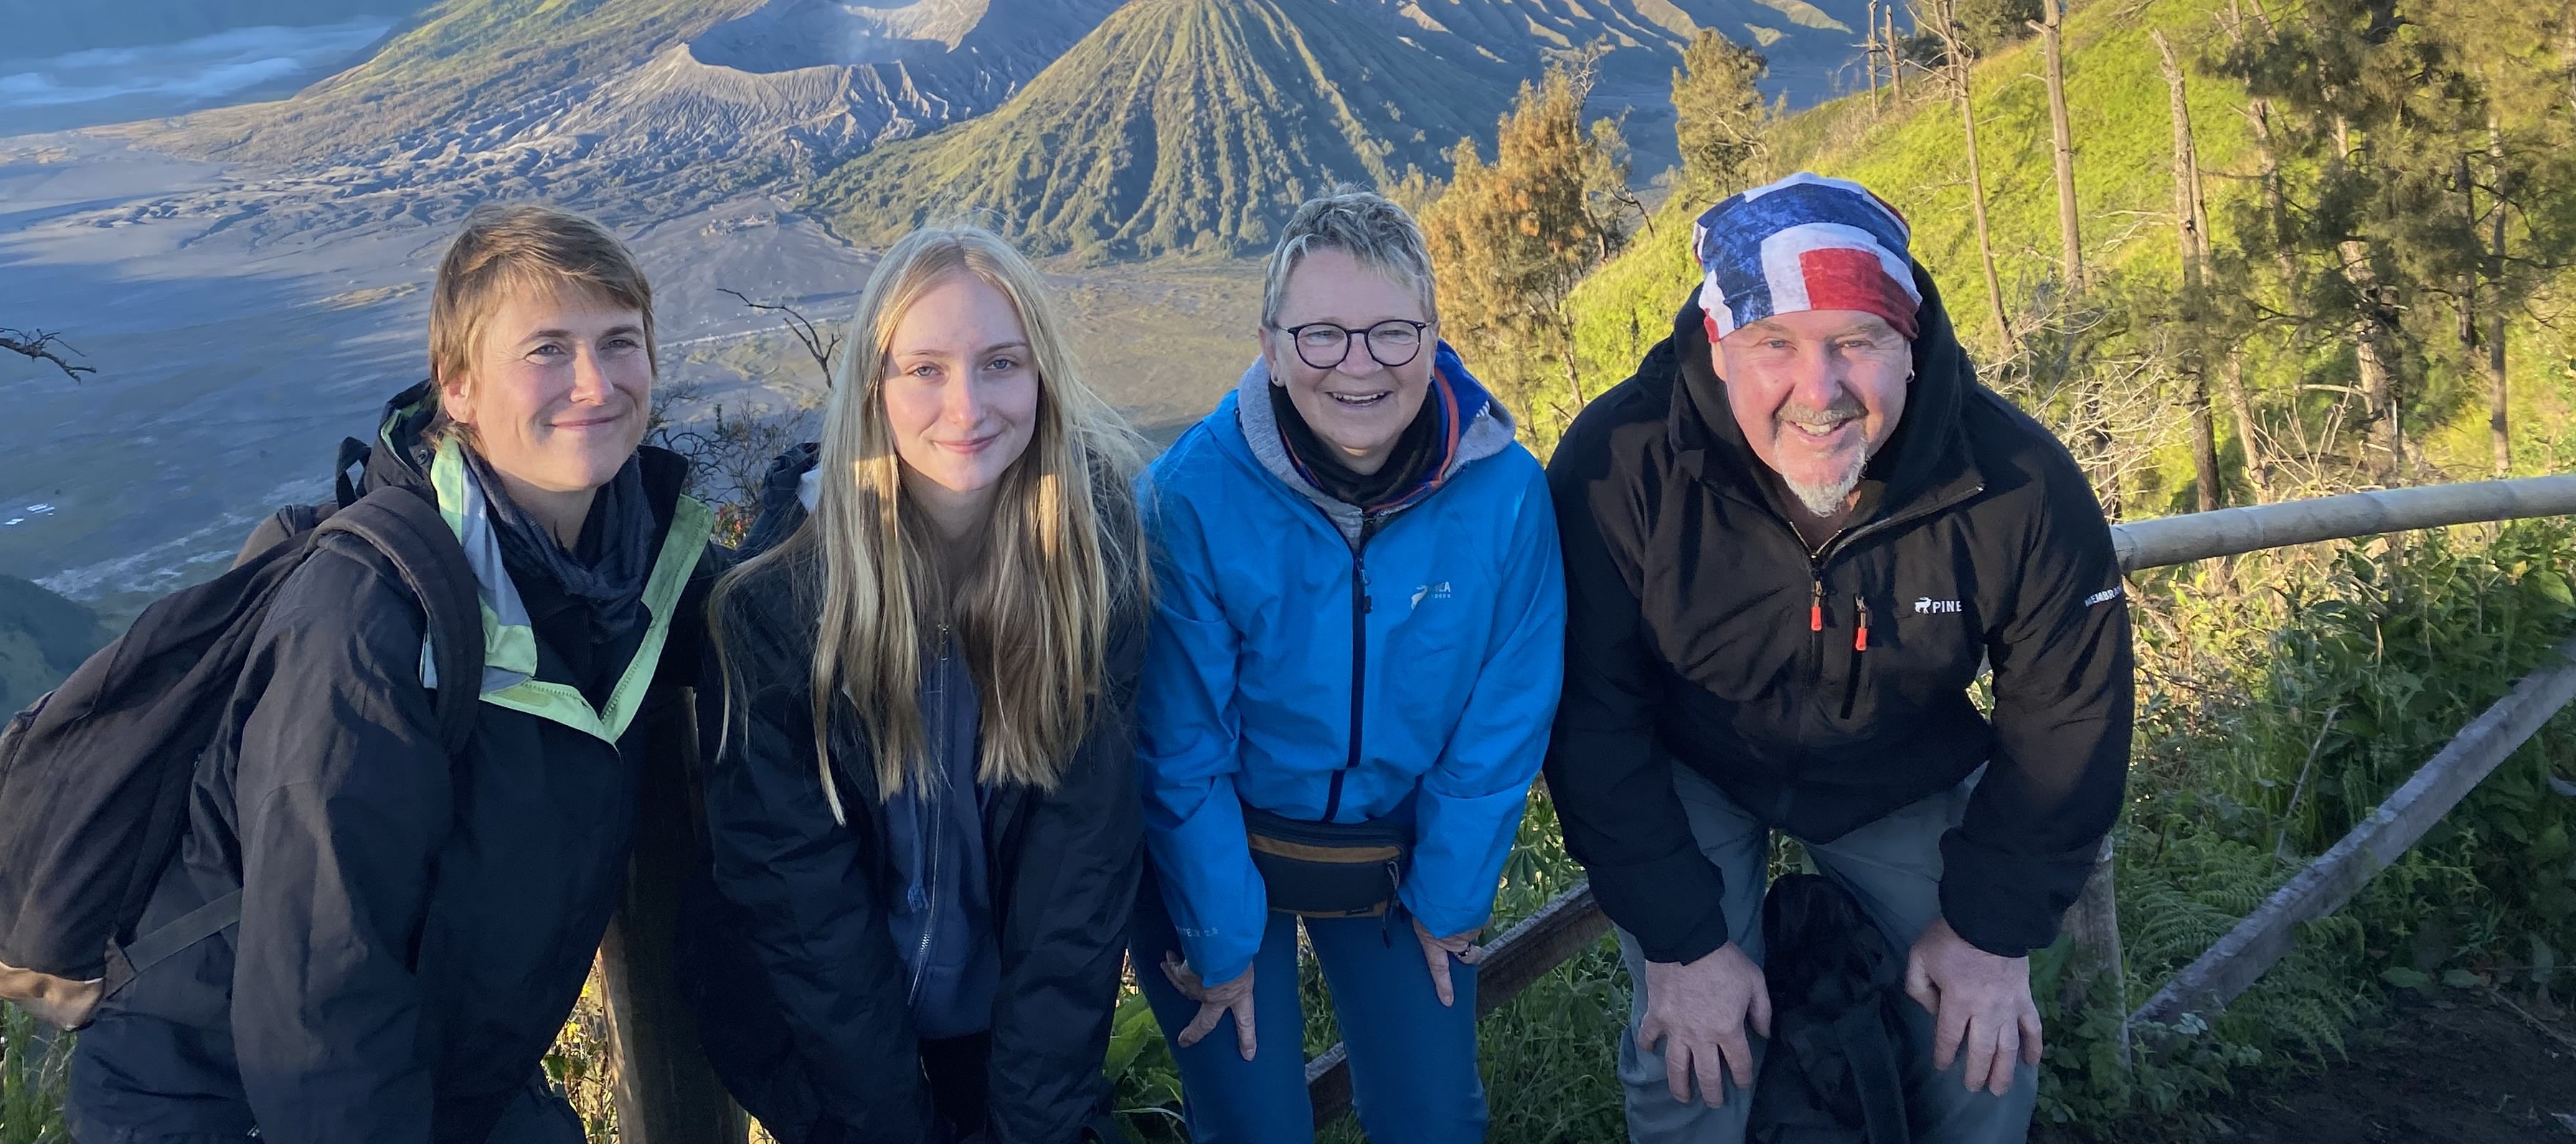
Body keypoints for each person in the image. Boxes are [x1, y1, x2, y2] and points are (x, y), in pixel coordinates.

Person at [67, 204, 723, 1144]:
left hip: (449, 1070)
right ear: (458, 388)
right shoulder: (369, 618)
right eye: (547, 349)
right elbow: (319, 999)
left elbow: (777, 627)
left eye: (619, 341)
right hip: (232, 1102)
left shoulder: (630, 557)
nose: (594, 381)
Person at [1545, 173, 2136, 1144]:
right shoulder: (1624, 462)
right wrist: (1685, 946)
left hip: (1895, 763)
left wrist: (1990, 934)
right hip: (1689, 758)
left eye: (1858, 342)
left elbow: (2070, 716)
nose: (1819, 393)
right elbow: (1591, 712)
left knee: (1982, 1048)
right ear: (1718, 347)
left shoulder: (2014, 483)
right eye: (1774, 344)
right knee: (1690, 1059)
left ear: (1911, 344)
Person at [686, 226, 1150, 1144]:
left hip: (1008, 1029)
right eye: (925, 369)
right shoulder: (779, 604)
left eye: (1001, 363)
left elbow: (1078, 878)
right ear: (875, 388)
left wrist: (1037, 1125)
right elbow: (801, 908)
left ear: (1043, 378)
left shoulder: (1089, 574)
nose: (966, 405)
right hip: (824, 1049)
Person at [1132, 190, 1565, 1144]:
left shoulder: (1505, 494)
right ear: (1271, 348)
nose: (1358, 365)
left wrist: (1450, 896)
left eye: (1391, 332)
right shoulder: (1188, 497)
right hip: (1212, 838)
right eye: (1321, 334)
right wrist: (1218, 939)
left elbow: (1505, 716)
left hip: (1398, 846)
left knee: (1434, 1120)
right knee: (1256, 1126)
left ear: (1435, 335)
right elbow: (1179, 742)